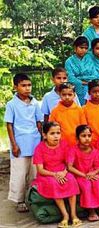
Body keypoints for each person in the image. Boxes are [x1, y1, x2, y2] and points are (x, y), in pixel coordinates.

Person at [5, 73, 43, 213]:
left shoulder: (35, 102)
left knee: (34, 173)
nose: (27, 88)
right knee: (19, 173)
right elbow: (9, 125)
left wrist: (42, 140)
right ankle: (19, 200)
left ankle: (33, 198)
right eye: (23, 85)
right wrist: (14, 145)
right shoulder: (11, 104)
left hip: (35, 142)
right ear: (15, 87)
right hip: (20, 144)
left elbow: (39, 123)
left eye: (29, 85)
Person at [32, 122, 81, 227]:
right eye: (52, 133)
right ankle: (65, 215)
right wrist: (55, 175)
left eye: (58, 133)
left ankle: (74, 215)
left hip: (63, 171)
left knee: (71, 180)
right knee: (54, 184)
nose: (56, 136)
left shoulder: (64, 144)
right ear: (44, 135)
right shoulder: (39, 148)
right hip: (47, 174)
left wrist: (64, 172)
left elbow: (69, 163)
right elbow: (40, 170)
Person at [67, 125, 99, 221]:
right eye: (83, 136)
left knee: (98, 182)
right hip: (80, 175)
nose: (87, 138)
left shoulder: (95, 151)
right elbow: (70, 167)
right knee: (86, 185)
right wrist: (84, 175)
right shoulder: (73, 150)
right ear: (77, 138)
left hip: (92, 174)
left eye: (89, 136)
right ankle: (91, 211)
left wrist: (94, 173)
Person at [65, 36, 99, 105]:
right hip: (77, 87)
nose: (84, 50)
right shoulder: (69, 61)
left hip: (90, 85)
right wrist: (82, 82)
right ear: (75, 48)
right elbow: (70, 78)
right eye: (81, 47)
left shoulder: (89, 59)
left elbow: (94, 74)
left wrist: (83, 79)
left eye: (86, 48)